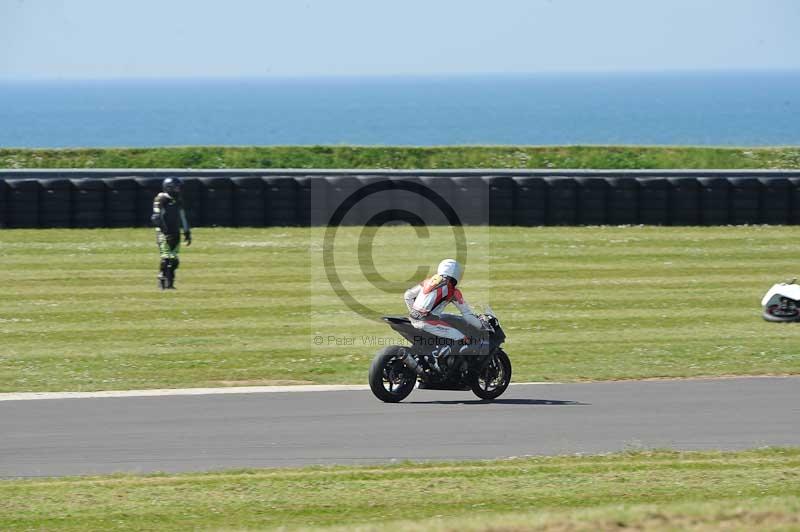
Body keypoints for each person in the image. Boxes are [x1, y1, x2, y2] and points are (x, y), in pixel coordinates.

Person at [404, 259, 486, 356]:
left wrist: (415, 314)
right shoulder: (453, 291)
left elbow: (408, 296)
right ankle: (443, 365)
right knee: (463, 339)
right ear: (457, 273)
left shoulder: (427, 281)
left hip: (412, 319)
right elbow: (467, 315)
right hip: (429, 322)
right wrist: (482, 326)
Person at [151, 177, 192, 290]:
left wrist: (187, 231)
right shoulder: (161, 199)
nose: (178, 189)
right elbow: (156, 217)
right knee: (166, 259)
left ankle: (170, 283)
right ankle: (161, 279)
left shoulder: (178, 199)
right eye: (176, 187)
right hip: (164, 234)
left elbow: (182, 216)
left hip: (176, 233)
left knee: (174, 261)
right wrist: (163, 230)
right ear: (169, 188)